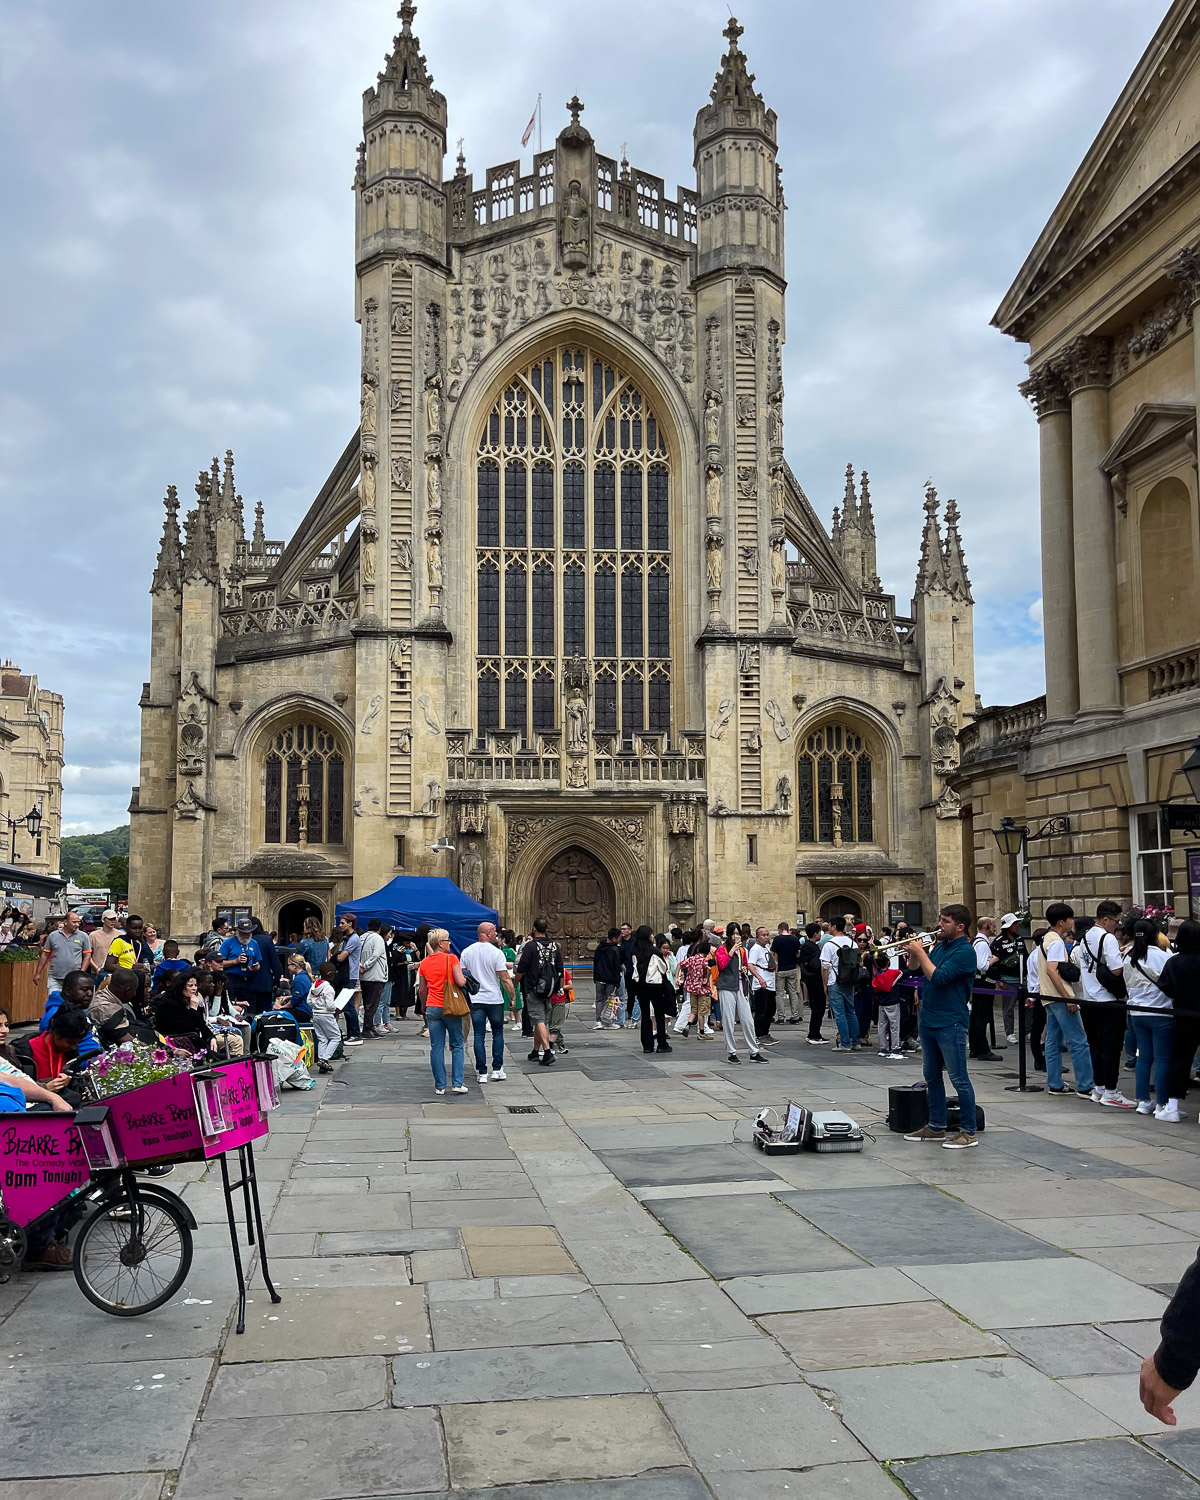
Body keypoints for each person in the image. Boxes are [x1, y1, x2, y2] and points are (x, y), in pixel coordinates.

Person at [903, 904, 980, 1148]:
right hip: (929, 1020)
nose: (940, 925)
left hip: (951, 1021)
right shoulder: (941, 946)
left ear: (960, 926)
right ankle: (936, 1126)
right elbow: (915, 969)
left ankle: (968, 1131)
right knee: (932, 1077)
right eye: (940, 919)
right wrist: (917, 952)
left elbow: (938, 976)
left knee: (959, 1078)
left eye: (945, 921)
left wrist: (923, 953)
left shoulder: (965, 951)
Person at [1077, 900, 1134, 1108]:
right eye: (1116, 922)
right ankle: (1110, 1091)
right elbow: (1116, 970)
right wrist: (1122, 954)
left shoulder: (1084, 936)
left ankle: (1099, 1088)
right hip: (1108, 1000)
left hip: (1089, 999)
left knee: (1096, 1046)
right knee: (1112, 1048)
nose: (1117, 927)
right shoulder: (1107, 938)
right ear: (1106, 919)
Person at [1038, 902, 1096, 1099]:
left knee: (1053, 1042)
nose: (1072, 922)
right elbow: (1052, 970)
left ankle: (1055, 1083)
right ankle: (1085, 1085)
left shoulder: (1045, 938)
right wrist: (1067, 996)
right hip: (1060, 996)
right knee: (1079, 1040)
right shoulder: (1056, 942)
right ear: (1062, 921)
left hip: (1048, 996)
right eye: (1070, 918)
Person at [1124, 917, 1176, 1119]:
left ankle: (1143, 1101)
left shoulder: (1128, 957)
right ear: (1155, 934)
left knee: (1144, 1058)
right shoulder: (1163, 957)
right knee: (1162, 1059)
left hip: (1137, 1013)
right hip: (1160, 1012)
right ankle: (1161, 1103)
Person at [462, 920, 514, 1083]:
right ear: (488, 933)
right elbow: (505, 978)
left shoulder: (467, 951)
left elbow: (463, 975)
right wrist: (512, 996)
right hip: (493, 998)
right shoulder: (496, 953)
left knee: (479, 1035)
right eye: (494, 932)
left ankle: (482, 1072)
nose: (496, 935)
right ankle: (497, 1069)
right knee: (498, 1033)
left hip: (475, 998)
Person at [418, 928, 468, 1094]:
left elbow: (422, 990)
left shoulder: (424, 963)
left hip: (432, 1006)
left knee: (436, 1047)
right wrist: (465, 978)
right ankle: (457, 1083)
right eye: (447, 940)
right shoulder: (451, 959)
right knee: (457, 1044)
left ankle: (440, 1086)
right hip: (450, 1007)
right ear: (440, 943)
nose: (449, 943)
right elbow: (460, 982)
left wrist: (425, 1005)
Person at [1161, 920, 1200, 1113]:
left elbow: (1165, 986)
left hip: (1183, 1015)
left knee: (1180, 1060)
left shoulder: (1173, 961)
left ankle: (1173, 1106)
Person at [716, 922, 766, 1065]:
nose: (736, 936)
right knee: (728, 1019)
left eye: (738, 933)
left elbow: (744, 964)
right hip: (726, 985)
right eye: (733, 933)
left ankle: (754, 1051)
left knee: (747, 1019)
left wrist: (744, 969)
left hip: (740, 984)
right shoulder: (722, 949)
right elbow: (722, 965)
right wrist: (731, 951)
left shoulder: (743, 950)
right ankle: (731, 1052)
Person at [516, 918, 565, 1067]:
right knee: (541, 1019)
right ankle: (535, 1051)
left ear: (534, 929)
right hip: (550, 988)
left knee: (538, 1020)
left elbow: (521, 968)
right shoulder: (554, 946)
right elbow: (560, 968)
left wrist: (514, 984)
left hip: (533, 987)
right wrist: (560, 987)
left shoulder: (530, 946)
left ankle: (547, 1051)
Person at [631, 924, 673, 1054]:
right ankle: (662, 1043)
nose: (653, 936)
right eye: (651, 934)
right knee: (659, 1014)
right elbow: (663, 969)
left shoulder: (635, 951)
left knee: (645, 1015)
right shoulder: (654, 952)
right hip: (655, 985)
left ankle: (647, 1045)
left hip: (640, 986)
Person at [821, 916, 861, 1052]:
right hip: (849, 981)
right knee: (851, 1011)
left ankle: (845, 1043)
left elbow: (825, 967)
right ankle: (856, 1041)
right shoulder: (852, 943)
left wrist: (825, 985)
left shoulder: (829, 944)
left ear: (833, 927)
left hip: (835, 981)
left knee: (839, 1013)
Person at [152, 969, 216, 1052]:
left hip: (195, 1039)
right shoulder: (168, 1003)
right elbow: (185, 1026)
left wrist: (211, 1037)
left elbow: (201, 1024)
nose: (194, 989)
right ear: (181, 986)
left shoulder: (191, 1000)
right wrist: (193, 1009)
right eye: (190, 986)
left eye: (195, 985)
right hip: (178, 1042)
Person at [969, 917, 1003, 1061]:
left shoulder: (977, 941)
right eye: (993, 926)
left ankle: (975, 1048)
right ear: (987, 926)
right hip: (983, 984)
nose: (995, 928)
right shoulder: (982, 944)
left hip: (980, 984)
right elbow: (982, 966)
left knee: (977, 1016)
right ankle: (982, 1050)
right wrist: (994, 960)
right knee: (981, 1017)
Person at [34, 910, 91, 995]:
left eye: (78, 922)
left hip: (74, 979)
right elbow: (45, 954)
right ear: (65, 922)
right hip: (55, 978)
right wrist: (37, 973)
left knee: (71, 1005)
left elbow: (87, 956)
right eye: (74, 922)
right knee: (54, 1003)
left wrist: (81, 972)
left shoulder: (83, 936)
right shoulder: (53, 936)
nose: (77, 925)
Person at [992, 913, 1027, 1045]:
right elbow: (995, 962)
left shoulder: (1020, 939)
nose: (1017, 926)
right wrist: (999, 979)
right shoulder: (998, 941)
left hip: (1022, 977)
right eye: (1014, 924)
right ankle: (1010, 1032)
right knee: (1009, 1007)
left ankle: (1026, 1030)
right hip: (1008, 978)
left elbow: (1025, 955)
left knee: (1027, 1006)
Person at [674, 934, 716, 1037]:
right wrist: (706, 978)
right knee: (702, 1012)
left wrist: (676, 977)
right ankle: (701, 1032)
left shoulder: (691, 959)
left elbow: (680, 964)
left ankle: (688, 1024)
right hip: (702, 989)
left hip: (691, 988)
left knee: (693, 1009)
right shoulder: (705, 962)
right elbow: (709, 970)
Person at [220, 917, 263, 1014]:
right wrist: (235, 961)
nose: (246, 935)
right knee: (231, 1007)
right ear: (238, 932)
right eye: (243, 933)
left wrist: (255, 967)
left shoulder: (254, 943)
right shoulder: (228, 943)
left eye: (248, 933)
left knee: (250, 1008)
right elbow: (220, 963)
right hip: (232, 979)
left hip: (249, 979)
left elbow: (258, 963)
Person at [333, 913, 364, 1045]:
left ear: (350, 924)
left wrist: (335, 956)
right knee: (344, 1004)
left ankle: (355, 1034)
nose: (340, 925)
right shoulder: (346, 939)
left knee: (348, 1005)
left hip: (350, 975)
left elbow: (340, 957)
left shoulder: (354, 939)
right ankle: (352, 1033)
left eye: (343, 923)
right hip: (345, 975)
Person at [747, 926, 778, 1045]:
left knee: (771, 1009)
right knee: (762, 1010)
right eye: (763, 935)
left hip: (770, 983)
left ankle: (765, 1032)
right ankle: (759, 1034)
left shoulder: (766, 947)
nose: (766, 937)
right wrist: (759, 978)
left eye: (767, 935)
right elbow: (750, 964)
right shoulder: (755, 949)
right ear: (757, 937)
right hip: (762, 984)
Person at [359, 918, 389, 1039]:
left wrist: (360, 966)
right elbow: (376, 954)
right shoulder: (378, 938)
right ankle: (367, 1030)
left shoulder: (362, 937)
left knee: (367, 1002)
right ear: (379, 928)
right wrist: (366, 966)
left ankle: (370, 1028)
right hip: (375, 975)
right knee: (372, 1004)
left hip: (364, 976)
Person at [309, 961, 341, 1073]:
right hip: (326, 1015)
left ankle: (322, 1062)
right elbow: (330, 1005)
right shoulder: (329, 988)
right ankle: (324, 1058)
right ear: (330, 974)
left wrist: (316, 1005)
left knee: (322, 1038)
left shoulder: (314, 985)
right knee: (336, 1037)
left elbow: (309, 1001)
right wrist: (336, 1008)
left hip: (316, 1014)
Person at [799, 921, 827, 1044]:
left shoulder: (805, 946)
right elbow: (815, 964)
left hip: (808, 979)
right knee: (818, 1008)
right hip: (815, 980)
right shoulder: (814, 948)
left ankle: (814, 1033)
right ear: (815, 934)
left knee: (816, 1007)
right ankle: (814, 1034)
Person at [248, 919, 283, 1016]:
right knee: (265, 1015)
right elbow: (274, 962)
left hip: (247, 982)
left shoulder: (244, 940)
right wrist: (277, 980)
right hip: (264, 982)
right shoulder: (266, 940)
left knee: (248, 1013)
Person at [771, 922, 803, 1026]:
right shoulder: (795, 939)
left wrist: (774, 963)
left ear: (780, 929)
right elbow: (798, 954)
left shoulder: (777, 939)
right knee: (793, 992)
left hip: (781, 969)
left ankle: (781, 1017)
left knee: (780, 993)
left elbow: (772, 953)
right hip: (792, 968)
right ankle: (795, 1016)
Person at [593, 928, 623, 1029]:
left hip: (599, 977)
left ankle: (598, 1021)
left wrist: (595, 976)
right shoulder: (615, 950)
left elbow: (595, 962)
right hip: (610, 979)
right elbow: (616, 966)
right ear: (614, 939)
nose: (619, 940)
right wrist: (617, 980)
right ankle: (607, 1021)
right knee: (609, 1000)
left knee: (599, 999)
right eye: (618, 938)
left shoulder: (600, 947)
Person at [281, 954, 314, 1024]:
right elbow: (303, 994)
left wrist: (281, 1007)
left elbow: (295, 1000)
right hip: (307, 1010)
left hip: (302, 1011)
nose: (287, 967)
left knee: (278, 1014)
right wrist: (289, 997)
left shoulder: (299, 979)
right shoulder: (304, 976)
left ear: (295, 966)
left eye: (288, 965)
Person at [88, 909, 122, 974]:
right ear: (103, 920)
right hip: (97, 971)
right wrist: (96, 968)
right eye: (110, 919)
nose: (113, 921)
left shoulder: (121, 935)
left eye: (114, 919)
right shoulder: (93, 935)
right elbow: (88, 955)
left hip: (116, 972)